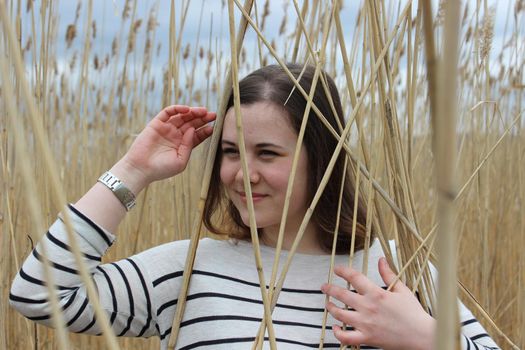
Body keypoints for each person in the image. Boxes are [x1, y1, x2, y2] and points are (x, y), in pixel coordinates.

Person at [10, 64, 499, 350]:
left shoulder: (397, 271)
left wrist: (425, 336)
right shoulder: (187, 270)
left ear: (322, 160)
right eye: (230, 153)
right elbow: (39, 294)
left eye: (267, 154)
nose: (242, 175)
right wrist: (134, 171)